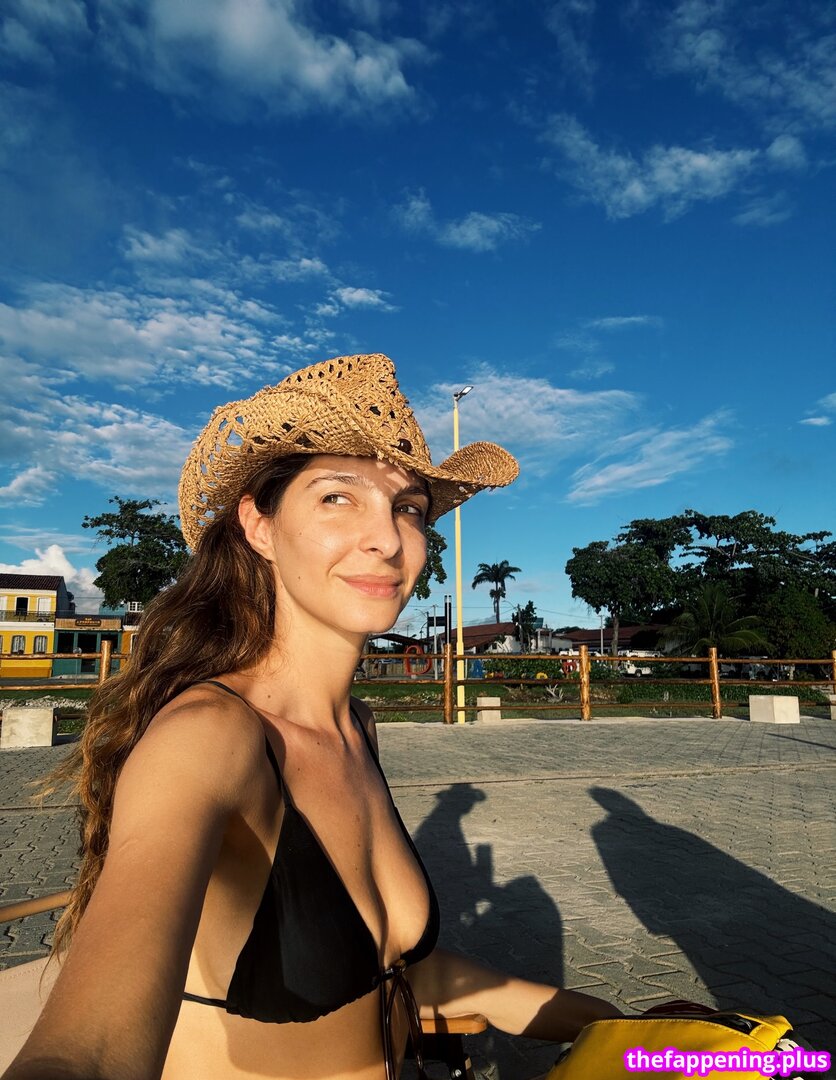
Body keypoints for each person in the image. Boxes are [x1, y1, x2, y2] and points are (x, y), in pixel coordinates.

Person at [4, 354, 619, 1080]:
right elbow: (92, 1046)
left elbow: (399, 971)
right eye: (337, 498)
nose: (387, 538)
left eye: (408, 508)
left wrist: (635, 1032)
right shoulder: (210, 738)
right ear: (259, 526)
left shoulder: (355, 727)